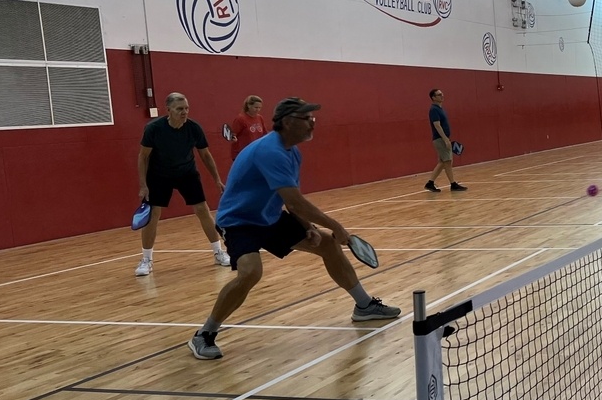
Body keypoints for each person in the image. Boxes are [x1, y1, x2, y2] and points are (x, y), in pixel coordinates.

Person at [188, 97, 403, 360]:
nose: (312, 124)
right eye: (307, 119)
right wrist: (336, 225)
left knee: (327, 244)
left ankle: (364, 305)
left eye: (312, 118)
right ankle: (204, 334)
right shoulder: (271, 151)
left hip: (268, 216)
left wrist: (307, 226)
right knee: (250, 272)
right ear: (288, 122)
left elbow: (291, 197)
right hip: (239, 220)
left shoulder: (292, 151)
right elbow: (295, 201)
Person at [135, 92, 229, 276]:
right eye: (180, 109)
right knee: (153, 215)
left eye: (186, 108)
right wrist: (143, 184)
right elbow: (143, 156)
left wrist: (217, 179)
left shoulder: (194, 128)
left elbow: (205, 155)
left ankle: (219, 253)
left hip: (186, 173)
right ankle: (146, 260)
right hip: (159, 175)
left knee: (202, 209)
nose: (184, 112)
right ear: (168, 110)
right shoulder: (154, 128)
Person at [424, 88, 468, 192]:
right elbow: (437, 125)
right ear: (433, 98)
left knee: (442, 162)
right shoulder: (434, 109)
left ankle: (430, 183)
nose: (442, 96)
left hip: (443, 138)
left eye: (442, 94)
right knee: (447, 161)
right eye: (439, 95)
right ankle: (453, 184)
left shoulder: (440, 109)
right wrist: (445, 140)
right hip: (440, 139)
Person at [230, 95, 266, 159]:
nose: (258, 109)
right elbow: (233, 135)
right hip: (242, 153)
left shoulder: (260, 118)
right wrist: (233, 138)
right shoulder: (240, 119)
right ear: (249, 106)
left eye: (259, 107)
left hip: (255, 153)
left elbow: (264, 134)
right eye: (256, 107)